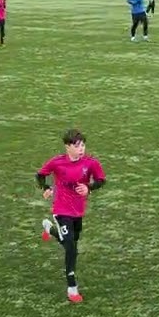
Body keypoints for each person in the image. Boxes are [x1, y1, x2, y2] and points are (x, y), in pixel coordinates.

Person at [37, 129, 107, 303]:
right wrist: (45, 188)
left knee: (72, 243)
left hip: (78, 211)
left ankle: (49, 228)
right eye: (77, 146)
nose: (81, 149)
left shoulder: (91, 163)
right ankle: (72, 286)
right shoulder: (57, 162)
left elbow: (101, 180)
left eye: (83, 145)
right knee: (70, 247)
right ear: (68, 147)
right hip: (61, 209)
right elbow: (40, 175)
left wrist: (89, 188)